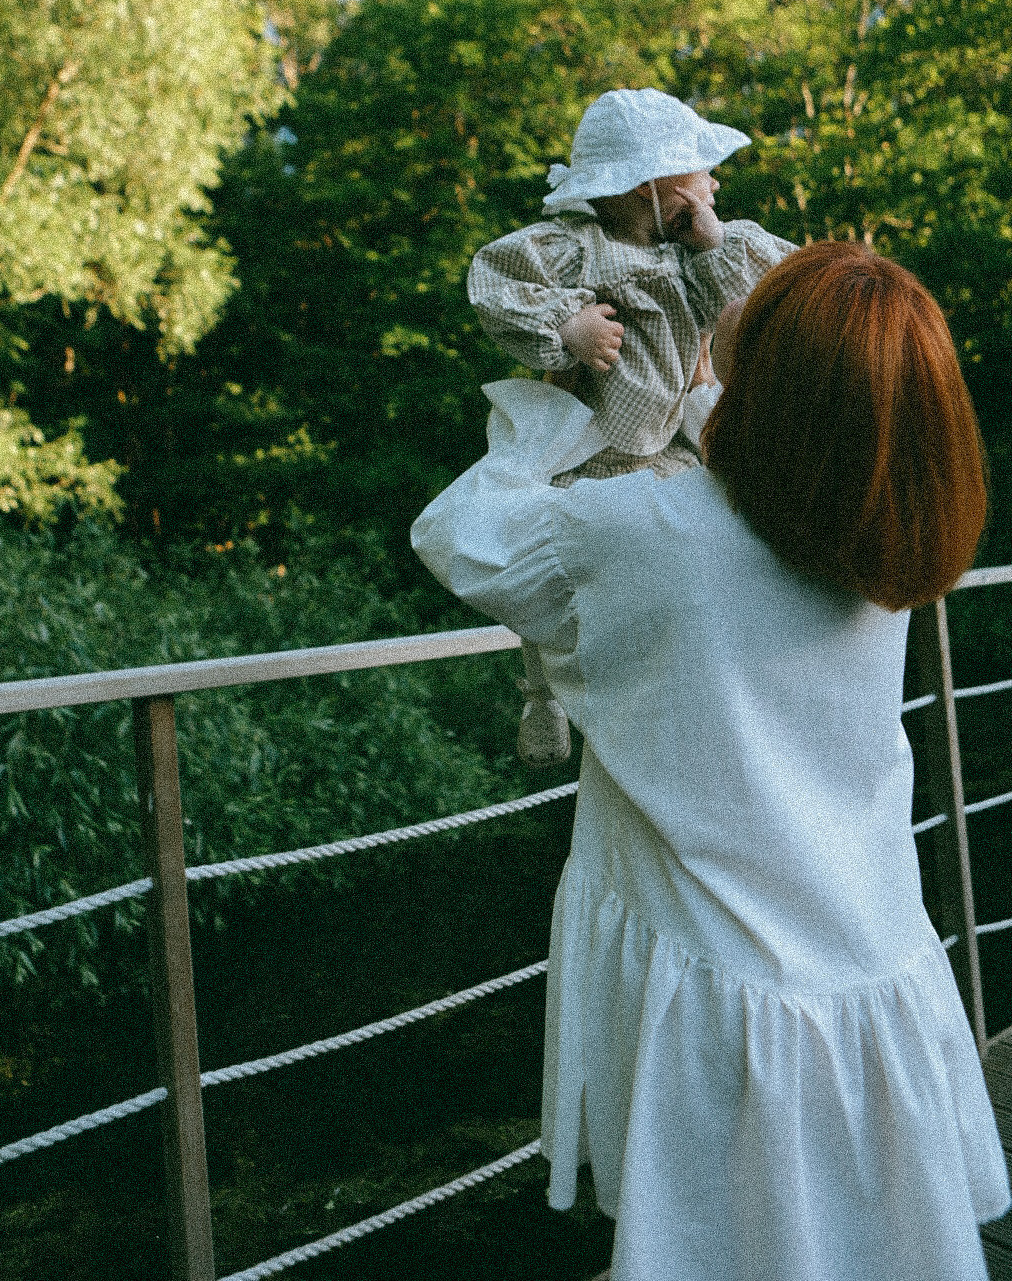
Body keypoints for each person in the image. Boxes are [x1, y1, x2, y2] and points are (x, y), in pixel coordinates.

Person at [411, 241, 1009, 1281]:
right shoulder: (872, 529)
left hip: (722, 976)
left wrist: (550, 419)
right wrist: (692, 403)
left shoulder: (647, 531)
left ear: (773, 383)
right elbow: (753, 503)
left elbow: (462, 535)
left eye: (760, 309)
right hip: (865, 947)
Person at [467, 87, 794, 762]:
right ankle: (543, 695)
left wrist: (712, 238)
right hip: (591, 442)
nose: (714, 181)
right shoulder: (578, 248)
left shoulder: (697, 256)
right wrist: (566, 327)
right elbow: (496, 282)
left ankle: (687, 680)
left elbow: (761, 302)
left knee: (697, 548)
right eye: (699, 170)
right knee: (556, 569)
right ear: (650, 184)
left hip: (673, 436)